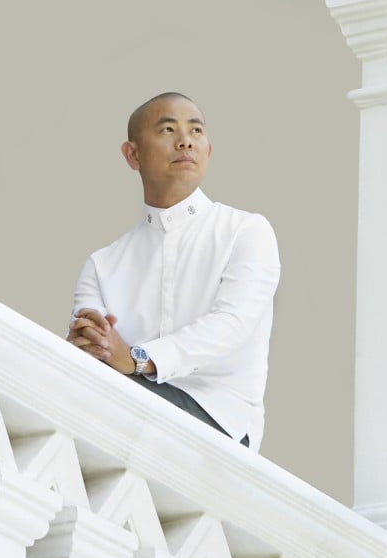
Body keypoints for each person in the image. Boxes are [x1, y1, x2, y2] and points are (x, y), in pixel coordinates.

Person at [66, 92, 280, 449]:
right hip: (126, 408)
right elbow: (95, 349)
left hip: (218, 420)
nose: (185, 141)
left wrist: (138, 359)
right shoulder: (102, 264)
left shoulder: (246, 231)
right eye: (167, 129)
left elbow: (231, 325)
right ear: (132, 154)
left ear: (208, 149)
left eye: (196, 131)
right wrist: (94, 346)